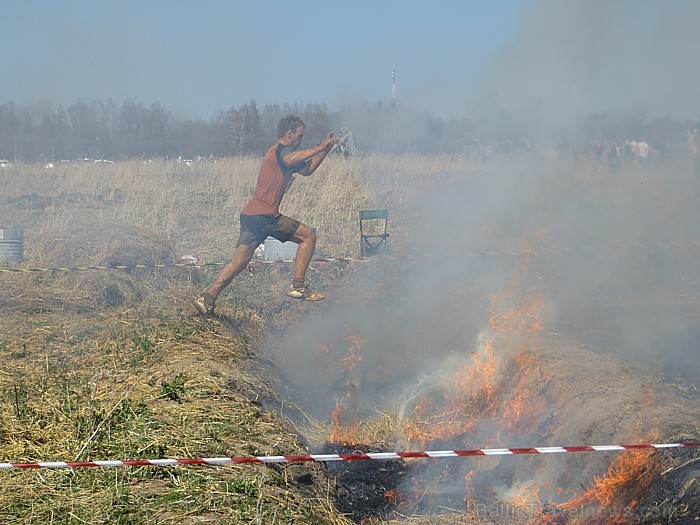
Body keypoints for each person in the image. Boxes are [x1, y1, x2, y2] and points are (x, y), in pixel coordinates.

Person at [194, 116, 339, 315]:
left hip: (250, 216)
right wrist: (320, 146)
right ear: (289, 134)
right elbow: (290, 158)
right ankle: (298, 286)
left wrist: (326, 149)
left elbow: (308, 170)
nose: (300, 141)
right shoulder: (281, 151)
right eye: (299, 136)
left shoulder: (284, 156)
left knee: (239, 263)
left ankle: (207, 298)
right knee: (308, 237)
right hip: (265, 216)